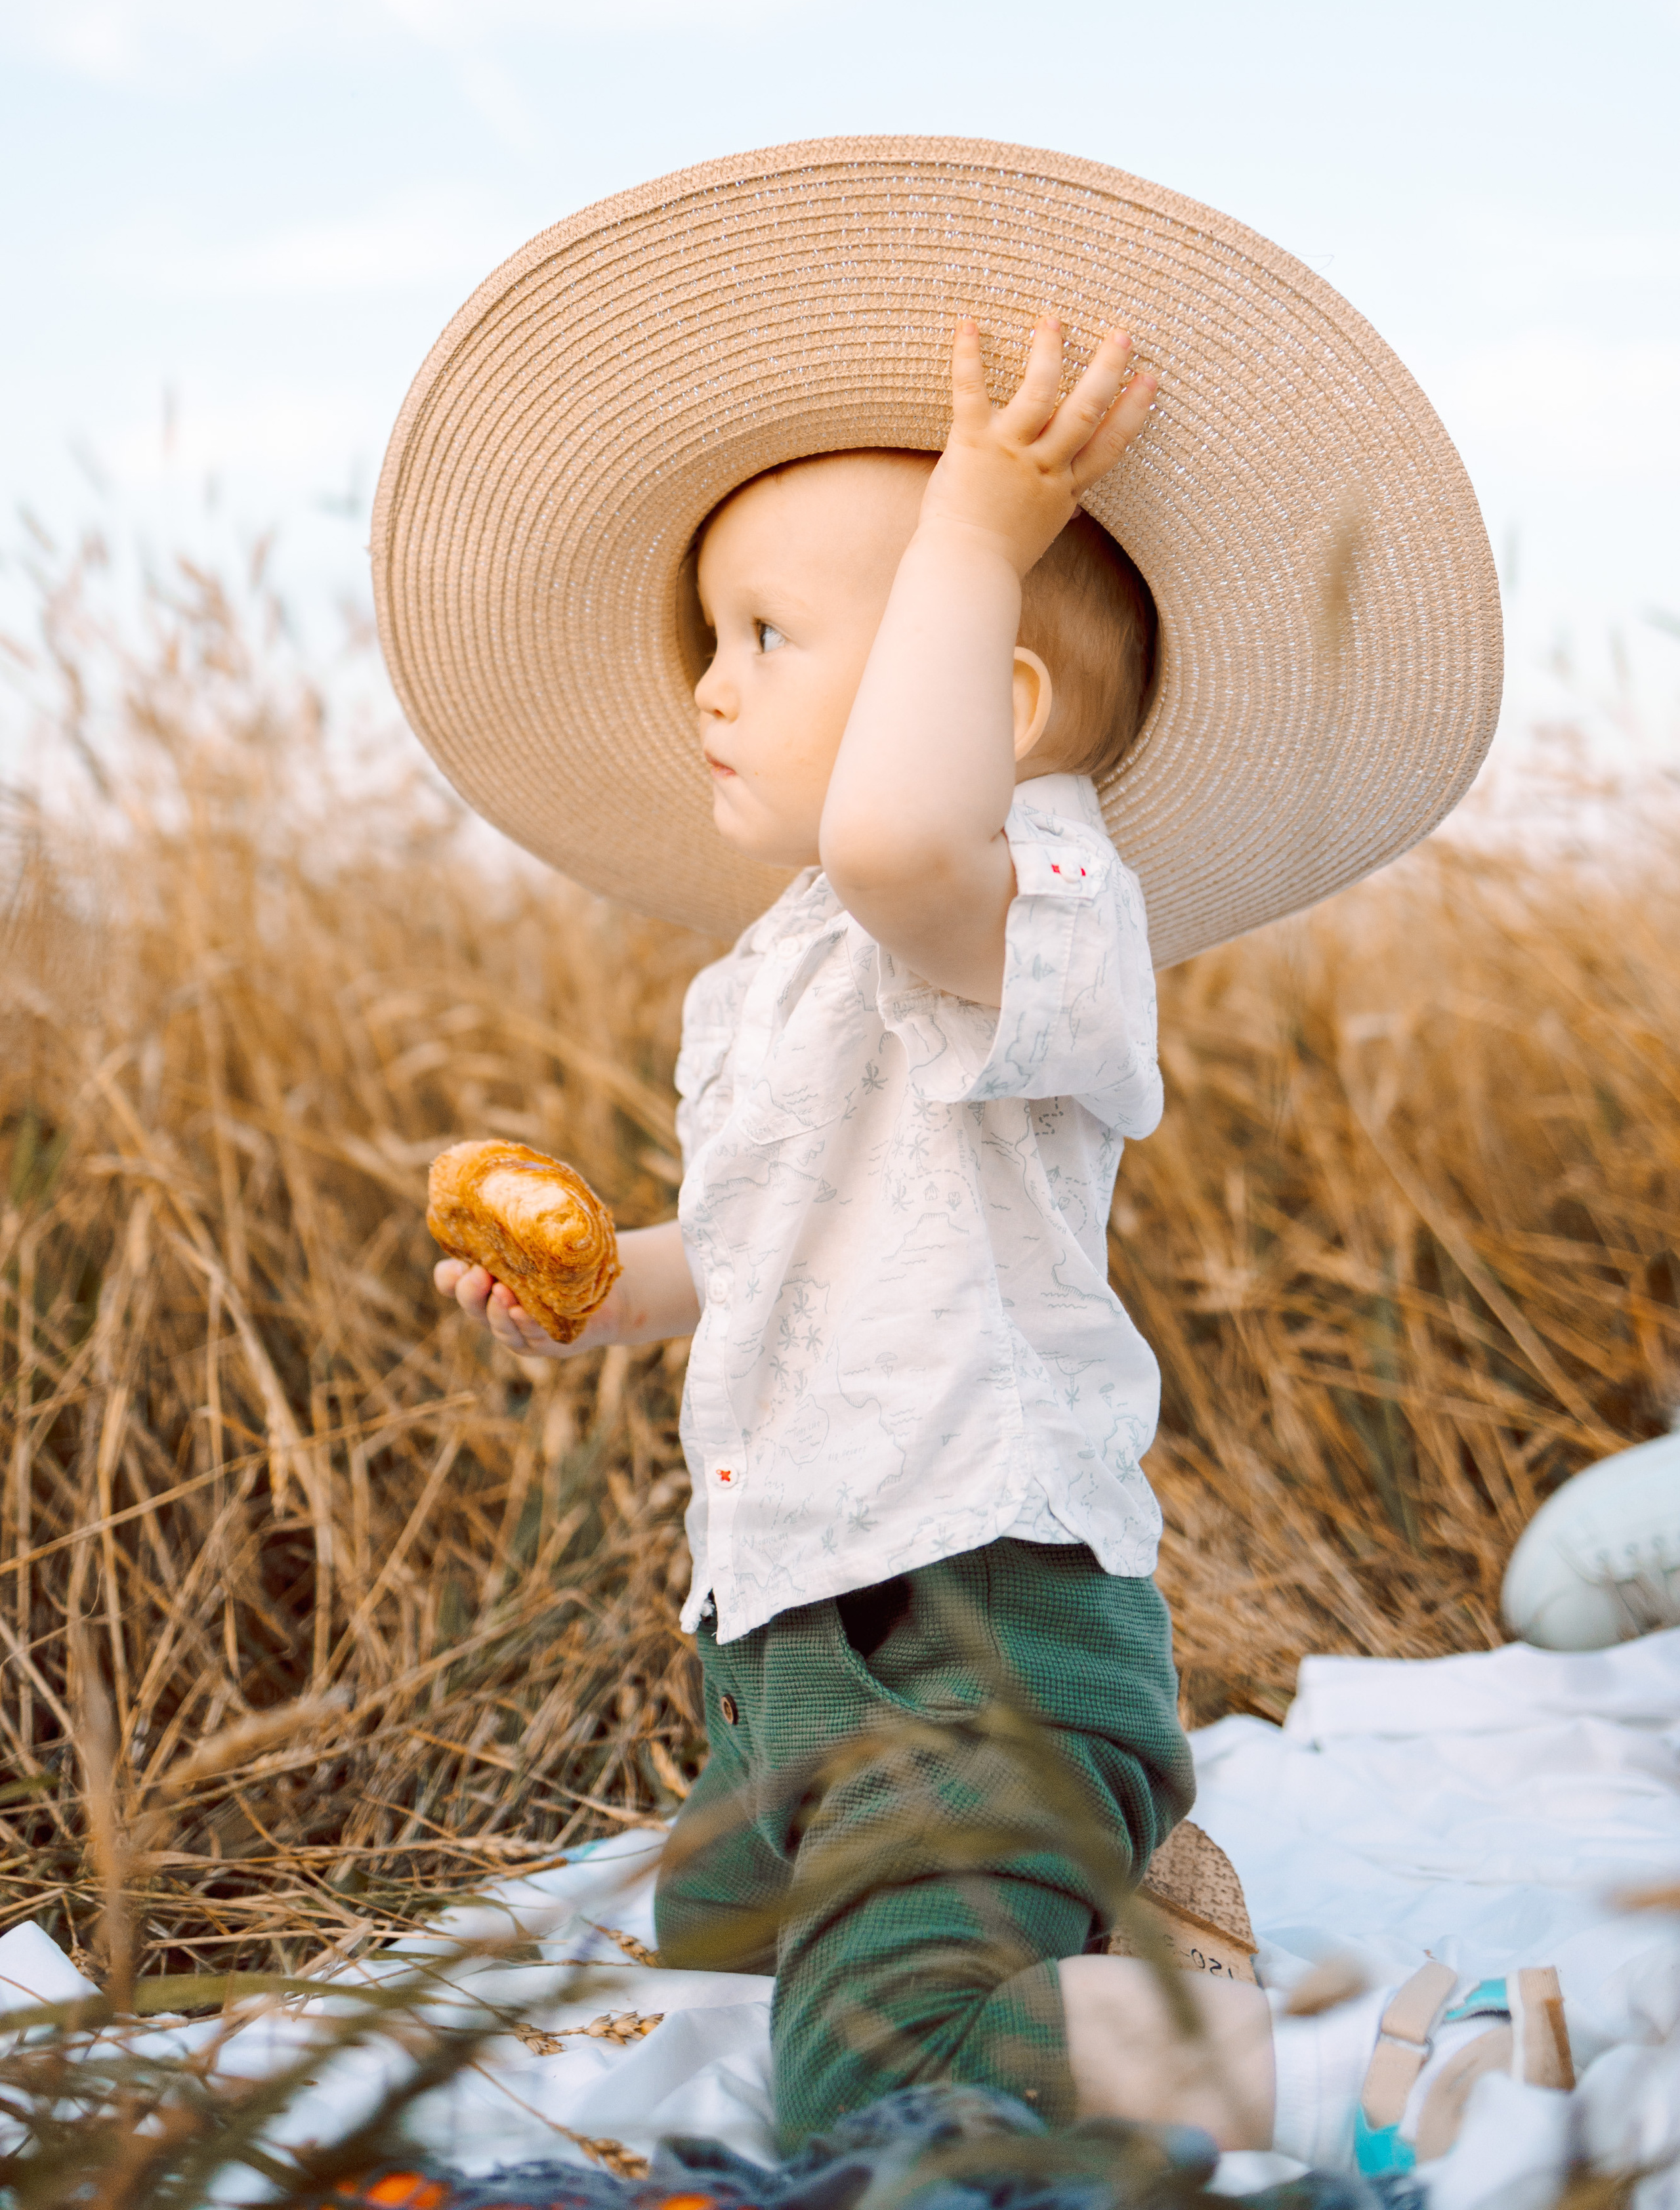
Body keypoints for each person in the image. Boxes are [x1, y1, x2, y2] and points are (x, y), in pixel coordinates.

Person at [382, 135, 1554, 2173]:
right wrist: (604, 1290)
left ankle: (1376, 2047)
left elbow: (900, 831)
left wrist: (981, 527)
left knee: (892, 2053)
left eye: (762, 636)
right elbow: (758, 1248)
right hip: (790, 1636)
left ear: (999, 694)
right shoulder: (773, 975)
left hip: (978, 1618)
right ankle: (1181, 1999)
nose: (701, 686)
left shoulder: (1034, 897)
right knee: (734, 1970)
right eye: (706, 638)